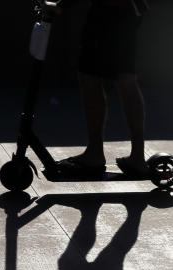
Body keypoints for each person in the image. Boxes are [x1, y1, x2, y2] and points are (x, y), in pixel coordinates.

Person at [46, 0, 151, 177]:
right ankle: (137, 158)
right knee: (125, 78)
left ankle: (95, 153)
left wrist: (61, 5)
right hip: (129, 9)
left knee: (91, 76)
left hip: (111, 10)